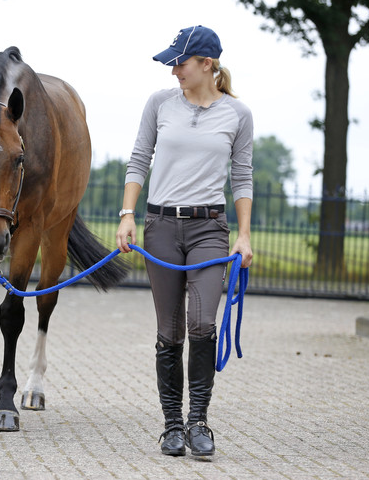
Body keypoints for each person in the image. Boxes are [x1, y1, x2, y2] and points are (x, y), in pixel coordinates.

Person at [115, 25, 254, 457]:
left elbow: (242, 176)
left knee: (203, 325)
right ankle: (172, 426)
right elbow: (139, 158)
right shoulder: (159, 104)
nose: (174, 69)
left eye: (181, 62)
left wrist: (244, 235)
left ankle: (199, 423)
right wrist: (127, 215)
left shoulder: (238, 114)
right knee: (170, 330)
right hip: (160, 227)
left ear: (207, 65)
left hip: (209, 229)